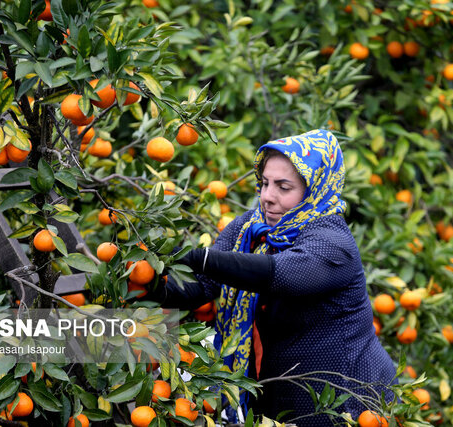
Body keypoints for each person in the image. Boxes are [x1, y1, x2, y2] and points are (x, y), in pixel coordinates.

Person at [152, 129, 397, 425]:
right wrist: (149, 279)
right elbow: (203, 285)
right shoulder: (250, 229)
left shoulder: (332, 241)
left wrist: (193, 256)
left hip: (347, 401)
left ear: (314, 188)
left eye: (283, 187)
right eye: (265, 183)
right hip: (277, 397)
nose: (267, 197)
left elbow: (279, 273)